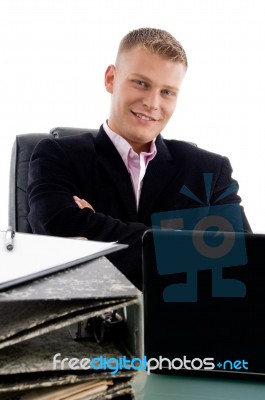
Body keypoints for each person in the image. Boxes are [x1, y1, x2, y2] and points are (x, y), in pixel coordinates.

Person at [27, 27, 251, 289]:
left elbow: (244, 260)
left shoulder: (210, 171)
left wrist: (96, 229)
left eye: (167, 91)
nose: (152, 103)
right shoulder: (57, 156)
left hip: (184, 322)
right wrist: (192, 246)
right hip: (92, 324)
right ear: (111, 78)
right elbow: (54, 231)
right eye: (141, 83)